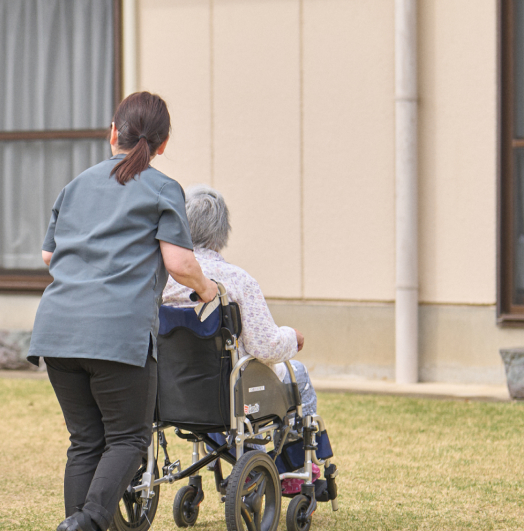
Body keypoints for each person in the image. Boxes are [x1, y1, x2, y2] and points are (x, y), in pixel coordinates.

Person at [28, 91, 224, 531]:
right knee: (129, 440)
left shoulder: (76, 184)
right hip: (117, 334)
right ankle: (89, 522)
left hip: (56, 331)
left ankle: (77, 524)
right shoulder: (163, 188)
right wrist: (207, 289)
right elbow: (179, 263)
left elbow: (48, 255)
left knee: (85, 442)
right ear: (163, 143)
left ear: (113, 132)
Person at [160, 184, 322, 494]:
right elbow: (266, 346)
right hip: (231, 393)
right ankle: (296, 468)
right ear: (222, 231)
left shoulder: (163, 279)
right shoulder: (237, 280)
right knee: (297, 374)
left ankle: (246, 460)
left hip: (174, 393)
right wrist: (292, 336)